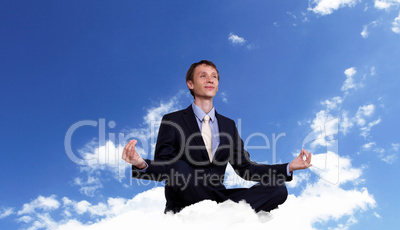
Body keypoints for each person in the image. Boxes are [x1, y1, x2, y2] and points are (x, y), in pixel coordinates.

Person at [122, 60, 312, 213]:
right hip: (184, 196)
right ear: (190, 84)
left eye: (214, 77)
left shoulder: (228, 125)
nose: (210, 80)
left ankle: (225, 213)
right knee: (179, 166)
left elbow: (245, 168)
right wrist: (142, 164)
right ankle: (223, 212)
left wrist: (288, 166)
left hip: (217, 198)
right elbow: (166, 165)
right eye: (202, 76)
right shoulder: (172, 120)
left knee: (277, 187)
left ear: (218, 85)